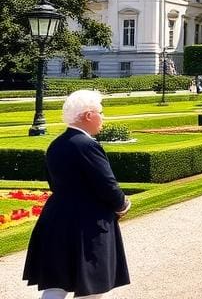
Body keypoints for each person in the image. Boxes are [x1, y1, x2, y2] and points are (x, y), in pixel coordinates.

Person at [23, 89, 132, 298]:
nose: (103, 118)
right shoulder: (87, 145)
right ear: (88, 115)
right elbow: (107, 184)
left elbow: (54, 182)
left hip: (57, 218)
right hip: (88, 223)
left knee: (57, 283)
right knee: (93, 285)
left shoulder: (56, 144)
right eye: (100, 112)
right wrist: (122, 204)